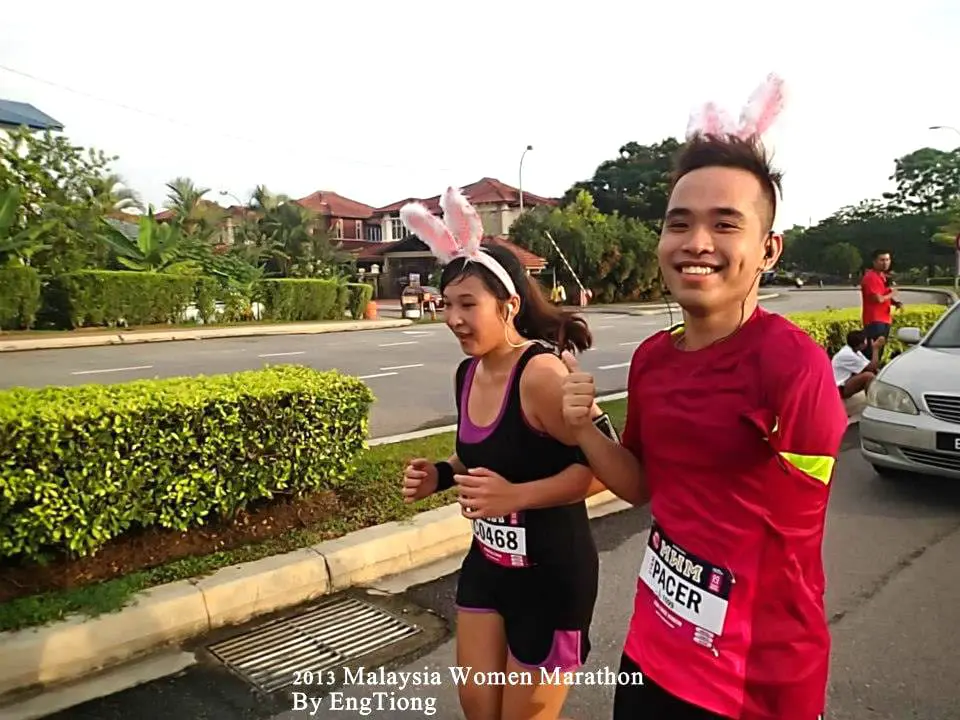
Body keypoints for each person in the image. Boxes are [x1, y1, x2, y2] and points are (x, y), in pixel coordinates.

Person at [561, 74, 848, 720]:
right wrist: (583, 430)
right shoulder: (652, 361)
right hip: (651, 657)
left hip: (752, 685)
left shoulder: (792, 368)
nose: (696, 243)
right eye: (679, 224)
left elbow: (793, 546)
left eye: (725, 225)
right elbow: (640, 485)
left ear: (768, 250)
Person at [398, 187, 605, 720]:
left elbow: (605, 471)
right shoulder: (468, 373)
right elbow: (482, 457)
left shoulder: (541, 374)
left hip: (552, 575)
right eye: (447, 305)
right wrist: (441, 475)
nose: (453, 318)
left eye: (468, 304)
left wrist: (517, 496)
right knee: (476, 704)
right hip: (488, 566)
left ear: (509, 305)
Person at [860, 249, 901, 361]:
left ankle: (873, 372)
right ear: (874, 262)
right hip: (874, 320)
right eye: (882, 260)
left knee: (879, 351)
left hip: (884, 319)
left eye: (887, 259)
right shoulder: (871, 277)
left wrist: (895, 302)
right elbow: (878, 299)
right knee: (873, 352)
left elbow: (884, 295)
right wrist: (893, 293)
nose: (885, 263)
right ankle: (869, 375)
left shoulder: (882, 276)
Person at [832, 330, 884, 398]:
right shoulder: (848, 354)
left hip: (844, 383)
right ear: (860, 344)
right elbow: (872, 367)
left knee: (874, 373)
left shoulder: (855, 351)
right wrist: (875, 348)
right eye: (865, 341)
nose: (867, 343)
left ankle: (878, 398)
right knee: (868, 376)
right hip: (838, 389)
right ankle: (873, 403)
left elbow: (872, 366)